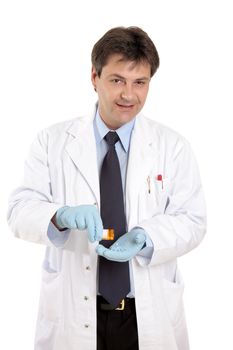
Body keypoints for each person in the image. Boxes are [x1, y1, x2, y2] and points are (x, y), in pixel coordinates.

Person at [7, 26, 206, 350]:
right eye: (117, 80)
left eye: (139, 82)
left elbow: (193, 220)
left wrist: (147, 237)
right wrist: (61, 215)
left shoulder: (173, 147)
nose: (129, 95)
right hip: (74, 314)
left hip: (147, 314)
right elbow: (19, 211)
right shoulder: (52, 141)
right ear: (94, 77)